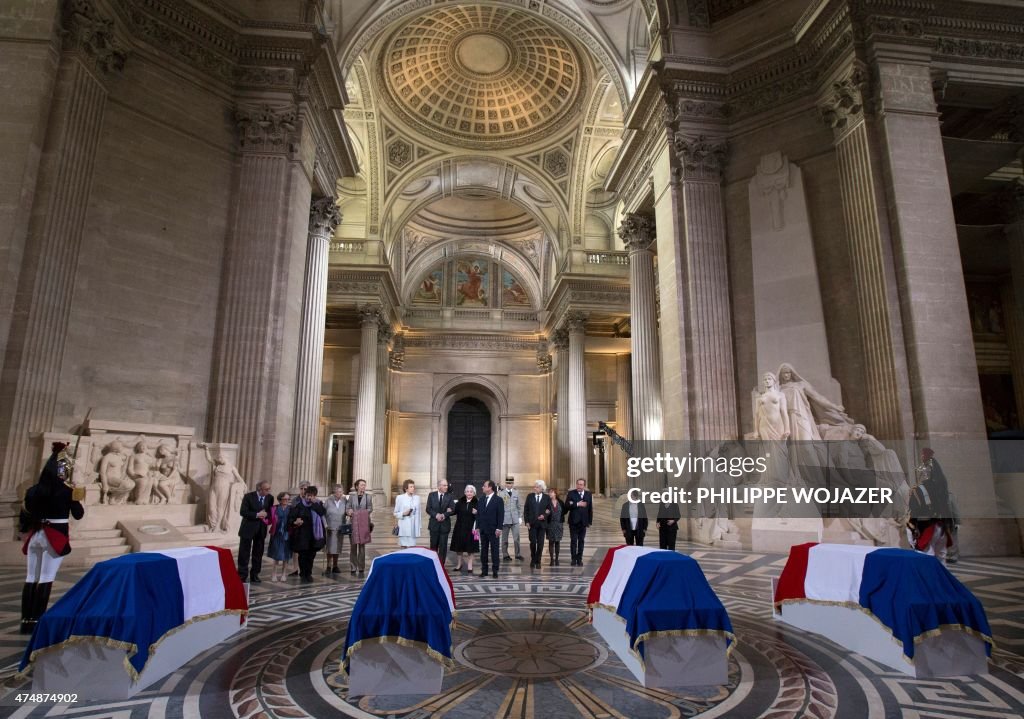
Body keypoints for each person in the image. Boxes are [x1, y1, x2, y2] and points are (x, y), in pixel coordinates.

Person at [20, 442, 84, 634]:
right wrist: (75, 495)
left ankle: (26, 620)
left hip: (36, 535)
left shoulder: (33, 490)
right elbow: (78, 514)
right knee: (46, 578)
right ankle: (38, 620)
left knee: (31, 577)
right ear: (61, 472)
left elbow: (26, 514)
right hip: (54, 535)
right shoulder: (67, 491)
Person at [907, 448, 955, 562]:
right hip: (942, 526)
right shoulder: (942, 488)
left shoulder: (918, 490)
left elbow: (914, 511)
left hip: (926, 527)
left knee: (926, 558)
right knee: (941, 558)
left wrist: (912, 531)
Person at [238, 480, 273, 583]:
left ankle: (255, 574)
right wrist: (257, 515)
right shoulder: (248, 497)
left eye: (269, 489)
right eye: (266, 489)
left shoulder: (270, 498)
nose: (268, 491)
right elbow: (243, 512)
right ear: (259, 489)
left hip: (261, 529)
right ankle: (242, 574)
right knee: (244, 553)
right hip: (248, 528)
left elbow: (270, 512)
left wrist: (267, 515)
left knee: (258, 553)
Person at [289, 485, 326, 582]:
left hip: (314, 535)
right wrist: (295, 521)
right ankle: (303, 574)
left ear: (315, 496)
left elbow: (322, 513)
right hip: (302, 534)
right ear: (305, 495)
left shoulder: (318, 504)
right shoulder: (299, 505)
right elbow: (291, 518)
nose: (309, 497)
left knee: (311, 555)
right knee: (303, 555)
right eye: (308, 495)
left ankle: (308, 573)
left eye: (312, 496)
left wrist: (315, 504)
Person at [476, 480, 504, 578]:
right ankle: (484, 570)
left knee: (495, 551)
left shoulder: (498, 500)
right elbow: (478, 514)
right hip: (483, 529)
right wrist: (477, 527)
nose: (482, 487)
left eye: (484, 486)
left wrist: (499, 528)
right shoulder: (481, 499)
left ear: (490, 487)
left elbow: (501, 515)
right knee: (483, 551)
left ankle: (495, 570)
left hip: (494, 530)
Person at [450, 484, 479, 573]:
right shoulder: (460, 502)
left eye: (471, 492)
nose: (469, 493)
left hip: (473, 528)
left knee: (472, 547)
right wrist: (448, 511)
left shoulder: (478, 502)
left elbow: (482, 515)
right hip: (460, 527)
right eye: (467, 491)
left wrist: (477, 513)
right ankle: (459, 564)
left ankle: (470, 564)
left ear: (474, 493)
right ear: (465, 492)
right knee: (459, 547)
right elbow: (454, 511)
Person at [564, 478, 593, 566]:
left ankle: (579, 559)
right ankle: (573, 559)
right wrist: (577, 504)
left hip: (583, 522)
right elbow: (567, 505)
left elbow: (590, 508)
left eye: (581, 484)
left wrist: (589, 521)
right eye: (578, 484)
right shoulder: (571, 493)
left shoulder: (588, 494)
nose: (579, 486)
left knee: (581, 541)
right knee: (573, 541)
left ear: (584, 486)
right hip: (573, 522)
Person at [347, 479, 373, 575]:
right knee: (353, 546)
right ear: (357, 486)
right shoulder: (351, 497)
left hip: (363, 523)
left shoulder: (368, 497)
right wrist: (349, 511)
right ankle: (353, 566)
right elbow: (348, 507)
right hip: (353, 523)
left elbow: (370, 508)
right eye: (361, 485)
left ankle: (361, 567)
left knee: (362, 546)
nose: (363, 487)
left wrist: (360, 513)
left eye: (364, 485)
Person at [524, 480, 552, 569]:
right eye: (534, 486)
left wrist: (544, 515)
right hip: (532, 524)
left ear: (541, 488)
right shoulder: (530, 496)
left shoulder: (547, 497)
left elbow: (549, 509)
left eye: (536, 486)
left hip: (542, 524)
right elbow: (526, 510)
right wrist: (527, 522)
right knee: (532, 542)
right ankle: (533, 558)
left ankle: (538, 560)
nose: (534, 488)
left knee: (540, 543)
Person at [427, 478, 455, 564]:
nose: (446, 487)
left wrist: (444, 515)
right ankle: (433, 564)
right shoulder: (431, 495)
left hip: (444, 526)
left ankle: (441, 566)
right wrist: (436, 515)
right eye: (444, 485)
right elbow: (428, 509)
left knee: (443, 547)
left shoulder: (449, 496)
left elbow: (453, 510)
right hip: (434, 525)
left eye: (446, 485)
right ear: (439, 486)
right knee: (433, 546)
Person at [323, 485, 348, 576]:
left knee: (337, 547)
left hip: (340, 527)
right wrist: (325, 524)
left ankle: (335, 565)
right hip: (330, 527)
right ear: (334, 492)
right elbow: (323, 513)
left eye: (341, 492)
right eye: (339, 492)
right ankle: (328, 566)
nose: (341, 494)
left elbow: (348, 511)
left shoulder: (344, 500)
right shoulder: (328, 501)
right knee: (330, 548)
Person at [267, 491, 292, 582]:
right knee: (276, 555)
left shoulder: (291, 508)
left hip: (287, 534)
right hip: (277, 533)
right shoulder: (274, 508)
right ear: (280, 499)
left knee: (286, 555)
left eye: (288, 499)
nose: (286, 501)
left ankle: (284, 574)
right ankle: (274, 574)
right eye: (284, 499)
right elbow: (269, 519)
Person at [500, 476, 523, 561]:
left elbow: (519, 506)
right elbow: (499, 508)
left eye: (511, 483)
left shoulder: (516, 492)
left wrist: (520, 517)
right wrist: (500, 519)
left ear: (513, 484)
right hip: (505, 519)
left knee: (516, 538)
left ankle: (517, 554)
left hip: (515, 519)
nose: (509, 485)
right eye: (507, 483)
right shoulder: (501, 493)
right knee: (504, 539)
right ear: (505, 483)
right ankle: (505, 555)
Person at [394, 479, 421, 547]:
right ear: (406, 488)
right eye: (411, 487)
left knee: (412, 548)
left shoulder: (417, 498)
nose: (413, 488)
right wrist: (403, 513)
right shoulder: (400, 498)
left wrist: (419, 527)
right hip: (404, 527)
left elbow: (419, 513)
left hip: (413, 528)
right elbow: (395, 513)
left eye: (413, 487)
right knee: (403, 548)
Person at [546, 487, 565, 565]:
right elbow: (545, 512)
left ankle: (557, 559)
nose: (550, 493)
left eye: (551, 492)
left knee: (557, 542)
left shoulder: (560, 502)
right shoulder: (547, 502)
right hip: (550, 524)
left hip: (559, 524)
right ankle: (551, 559)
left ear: (555, 493)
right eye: (549, 492)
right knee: (551, 542)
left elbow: (564, 511)